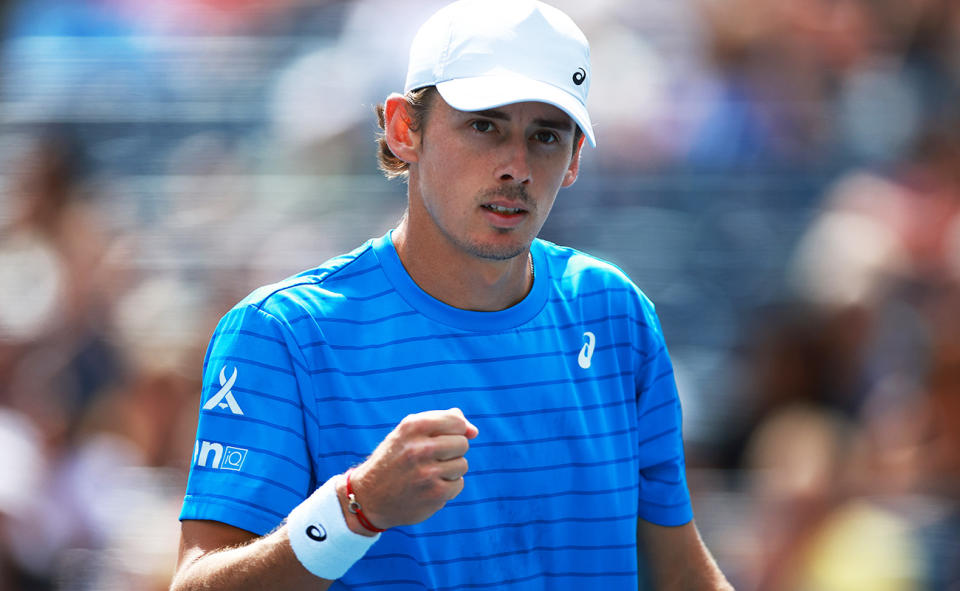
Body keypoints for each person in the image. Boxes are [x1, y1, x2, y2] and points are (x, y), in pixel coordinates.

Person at [171, 1, 733, 589]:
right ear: (403, 129)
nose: (516, 166)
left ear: (572, 163)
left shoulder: (617, 314)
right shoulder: (281, 332)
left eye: (546, 135)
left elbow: (680, 574)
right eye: (484, 125)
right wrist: (355, 511)